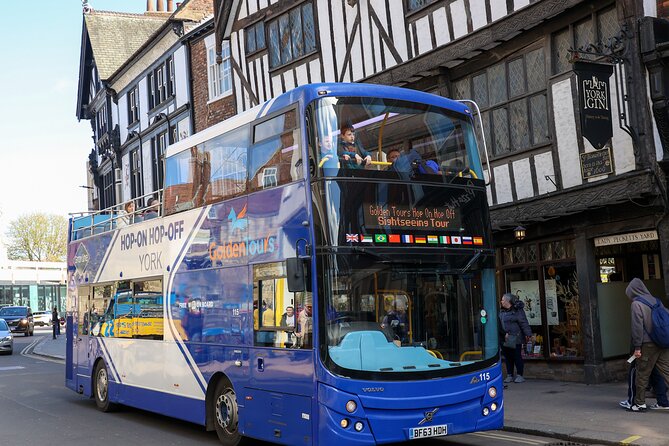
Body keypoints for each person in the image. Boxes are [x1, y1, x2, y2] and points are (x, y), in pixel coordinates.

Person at [626, 277, 669, 411]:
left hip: (647, 344)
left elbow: (637, 327)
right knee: (666, 372)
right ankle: (662, 402)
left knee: (642, 373)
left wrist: (637, 347)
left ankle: (639, 403)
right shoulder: (657, 300)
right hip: (663, 342)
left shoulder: (636, 304)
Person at [498, 292, 532, 383]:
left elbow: (523, 322)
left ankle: (520, 375)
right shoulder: (502, 311)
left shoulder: (517, 311)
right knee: (508, 357)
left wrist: (528, 334)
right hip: (505, 338)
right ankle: (509, 375)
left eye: (503, 300)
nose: (501, 301)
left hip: (515, 337)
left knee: (516, 356)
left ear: (507, 301)